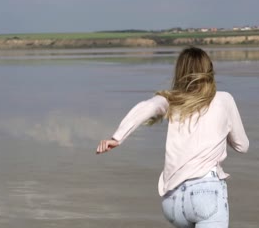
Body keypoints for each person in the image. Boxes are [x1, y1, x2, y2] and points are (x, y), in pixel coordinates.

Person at [96, 46, 249, 228]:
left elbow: (147, 107)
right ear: (209, 70)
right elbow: (242, 146)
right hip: (206, 194)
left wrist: (117, 137)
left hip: (173, 202)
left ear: (180, 72)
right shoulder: (224, 99)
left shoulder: (170, 100)